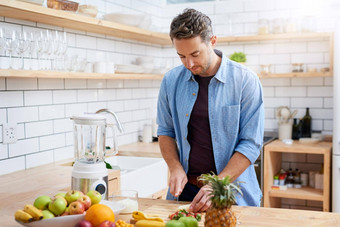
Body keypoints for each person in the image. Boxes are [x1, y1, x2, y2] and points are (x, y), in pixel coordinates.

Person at [156, 8, 264, 212]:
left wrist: (217, 184)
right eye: (181, 56)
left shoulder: (245, 80)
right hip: (185, 193)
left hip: (231, 192)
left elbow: (250, 144)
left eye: (195, 54)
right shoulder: (171, 81)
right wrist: (175, 167)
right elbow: (165, 131)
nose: (189, 63)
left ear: (212, 41)